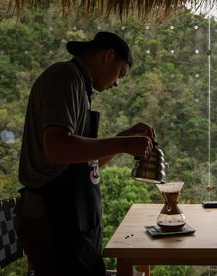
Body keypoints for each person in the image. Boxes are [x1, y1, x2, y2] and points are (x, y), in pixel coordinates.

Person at [15, 31, 155, 276]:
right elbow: (57, 150)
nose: (117, 82)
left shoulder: (79, 85)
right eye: (120, 72)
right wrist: (122, 144)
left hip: (72, 215)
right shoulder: (65, 77)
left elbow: (83, 164)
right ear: (108, 55)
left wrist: (123, 138)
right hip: (51, 216)